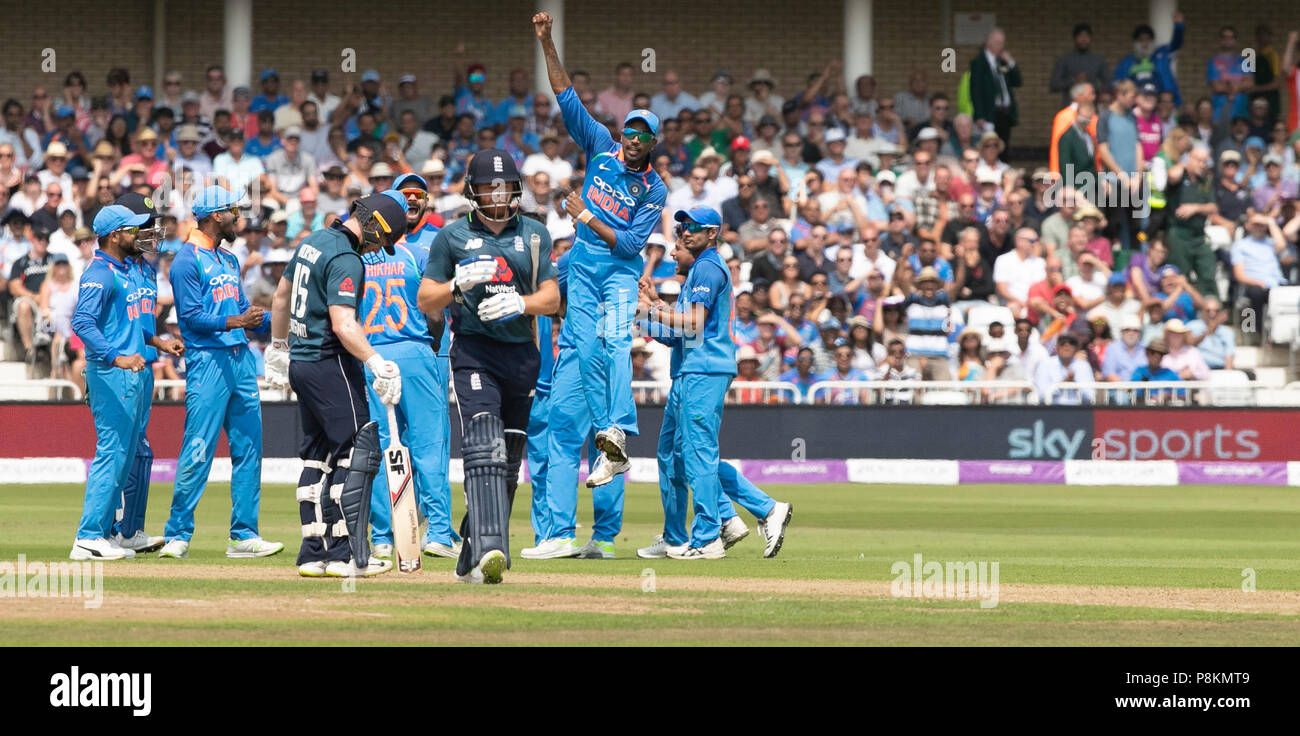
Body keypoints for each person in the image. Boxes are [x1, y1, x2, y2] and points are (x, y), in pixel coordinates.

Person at [535, 12, 667, 488]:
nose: (633, 140)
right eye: (629, 132)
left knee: (614, 342)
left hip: (619, 272)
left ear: (653, 142)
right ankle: (605, 442)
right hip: (583, 263)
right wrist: (548, 42)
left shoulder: (654, 188)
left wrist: (586, 215)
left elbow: (633, 243)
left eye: (642, 135)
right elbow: (565, 96)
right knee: (580, 341)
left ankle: (617, 432)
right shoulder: (600, 144)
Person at [417, 147, 559, 584]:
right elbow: (426, 299)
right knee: (483, 444)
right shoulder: (451, 237)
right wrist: (456, 283)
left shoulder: (535, 234)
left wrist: (521, 302)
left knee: (509, 460)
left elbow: (552, 300)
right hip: (474, 351)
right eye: (488, 186)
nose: (498, 193)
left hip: (522, 356)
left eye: (504, 185)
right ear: (472, 190)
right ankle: (493, 546)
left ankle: (470, 547)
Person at [266, 191, 409, 578]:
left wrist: (279, 348)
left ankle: (313, 552)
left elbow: (280, 298)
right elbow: (343, 323)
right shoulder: (347, 258)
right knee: (355, 453)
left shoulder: (312, 241)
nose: (381, 247)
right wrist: (375, 361)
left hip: (301, 363)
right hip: (332, 364)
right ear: (376, 226)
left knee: (317, 457)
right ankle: (346, 553)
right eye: (385, 238)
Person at [637, 206, 791, 559]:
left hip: (704, 370)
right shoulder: (698, 271)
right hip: (693, 368)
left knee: (696, 453)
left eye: (692, 227)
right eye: (681, 227)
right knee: (677, 455)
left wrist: (649, 309)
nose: (683, 234)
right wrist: (652, 309)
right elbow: (682, 335)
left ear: (712, 234)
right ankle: (685, 533)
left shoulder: (707, 265)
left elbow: (691, 323)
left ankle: (709, 535)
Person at [157, 186, 283, 561]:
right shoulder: (185, 260)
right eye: (232, 211)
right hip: (207, 362)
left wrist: (261, 318)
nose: (238, 218)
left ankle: (243, 535)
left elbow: (241, 307)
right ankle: (177, 534)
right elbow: (191, 317)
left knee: (249, 449)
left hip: (240, 360)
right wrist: (236, 320)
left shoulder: (228, 259)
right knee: (198, 449)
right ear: (215, 216)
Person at [69, 205, 183, 560]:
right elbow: (83, 323)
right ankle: (88, 536)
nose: (141, 234)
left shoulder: (127, 270)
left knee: (128, 453)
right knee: (113, 452)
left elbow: (129, 324)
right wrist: (116, 357)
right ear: (115, 235)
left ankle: (107, 533)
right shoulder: (100, 273)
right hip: (111, 373)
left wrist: (157, 341)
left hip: (133, 370)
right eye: (133, 229)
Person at [359, 173, 460, 564]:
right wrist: (427, 344)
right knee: (429, 447)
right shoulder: (417, 255)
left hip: (373, 354)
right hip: (416, 354)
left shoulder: (359, 257)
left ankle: (383, 538)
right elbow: (435, 315)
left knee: (386, 448)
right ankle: (439, 531)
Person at [522, 251, 626, 561]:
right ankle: (604, 540)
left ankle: (561, 535)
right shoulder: (628, 257)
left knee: (562, 443)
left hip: (581, 353)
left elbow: (549, 300)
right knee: (609, 447)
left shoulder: (576, 256)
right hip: (616, 357)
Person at [969, 28, 1021, 151]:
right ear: (988, 43)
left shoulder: (1003, 62)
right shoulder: (979, 63)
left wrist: (1011, 62)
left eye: (1003, 43)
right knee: (990, 147)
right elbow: (976, 90)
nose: (1001, 47)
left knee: (1004, 147)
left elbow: (1017, 82)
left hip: (1005, 112)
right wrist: (979, 116)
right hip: (990, 113)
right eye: (998, 43)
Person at [1050, 24, 1107, 107]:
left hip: (1092, 107)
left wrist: (1092, 86)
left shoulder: (1098, 60)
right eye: (1081, 36)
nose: (1084, 39)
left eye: (1086, 36)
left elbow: (1108, 84)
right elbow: (1054, 85)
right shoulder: (1065, 59)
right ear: (1075, 38)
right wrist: (1073, 80)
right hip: (1070, 106)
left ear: (1090, 38)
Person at [1033, 333, 1094, 405]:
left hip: (1078, 411)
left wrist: (1076, 386)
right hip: (1051, 410)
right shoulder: (1045, 364)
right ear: (1056, 347)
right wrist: (1062, 385)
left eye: (1071, 343)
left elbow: (1090, 397)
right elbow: (1041, 396)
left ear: (1077, 348)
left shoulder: (1083, 366)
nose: (1067, 346)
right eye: (1062, 343)